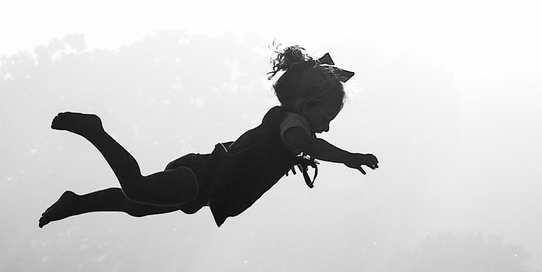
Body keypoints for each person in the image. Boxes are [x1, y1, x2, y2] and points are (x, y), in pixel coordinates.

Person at [38, 45, 379, 228]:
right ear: (306, 104)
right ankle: (94, 131)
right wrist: (349, 157)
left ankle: (77, 202)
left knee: (137, 206)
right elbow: (308, 144)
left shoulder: (291, 126)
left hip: (206, 187)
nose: (327, 126)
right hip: (205, 178)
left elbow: (292, 149)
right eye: (326, 117)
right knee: (137, 189)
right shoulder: (294, 125)